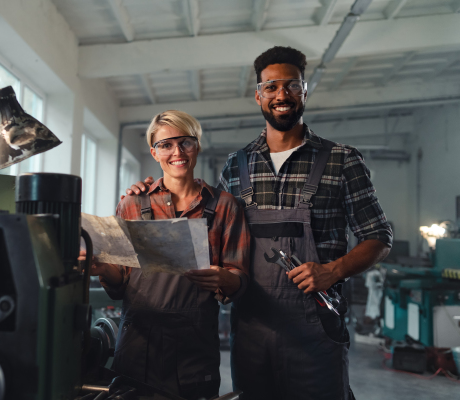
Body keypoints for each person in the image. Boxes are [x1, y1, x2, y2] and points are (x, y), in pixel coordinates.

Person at [125, 46, 393, 399]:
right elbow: (212, 236)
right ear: (258, 95)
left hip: (315, 328)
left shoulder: (342, 160)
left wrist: (334, 270)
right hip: (251, 330)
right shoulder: (235, 167)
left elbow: (379, 236)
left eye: (291, 85)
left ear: (304, 91)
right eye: (271, 87)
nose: (281, 94)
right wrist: (149, 192)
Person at [80, 110, 250, 400]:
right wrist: (100, 267)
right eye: (166, 145)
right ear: (154, 152)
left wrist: (223, 277)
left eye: (185, 142)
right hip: (137, 344)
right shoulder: (132, 203)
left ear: (197, 146)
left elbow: (239, 280)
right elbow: (120, 279)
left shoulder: (225, 206)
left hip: (194, 349)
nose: (177, 152)